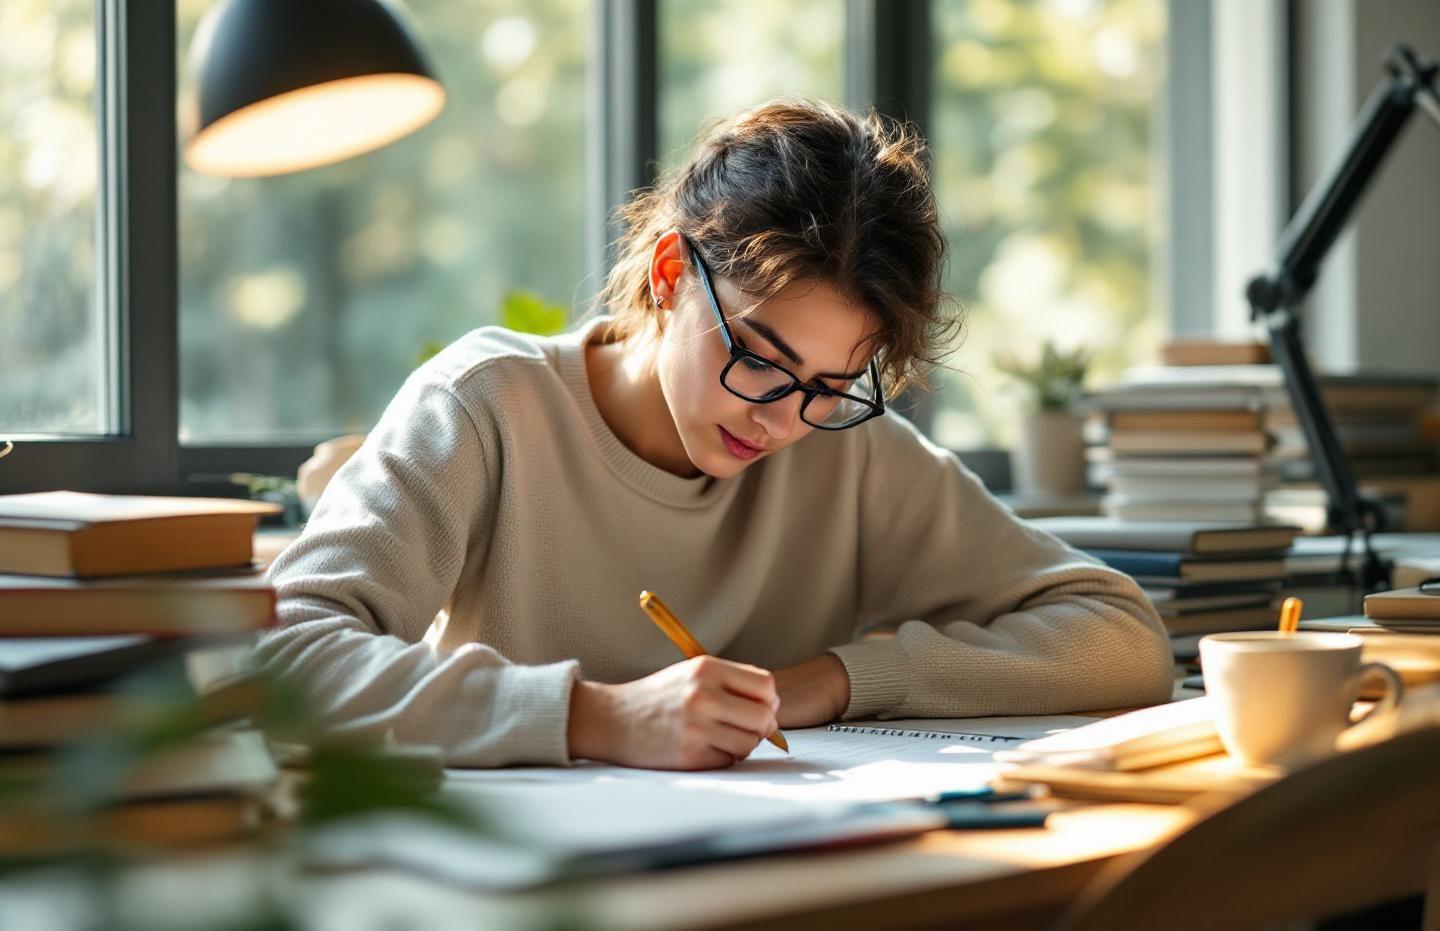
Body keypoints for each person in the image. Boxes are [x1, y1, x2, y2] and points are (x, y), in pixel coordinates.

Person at [259, 99, 1172, 771]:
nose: (781, 419)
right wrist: (597, 717)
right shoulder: (487, 407)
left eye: (829, 384)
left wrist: (833, 680)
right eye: (760, 358)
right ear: (668, 275)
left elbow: (1123, 638)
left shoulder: (840, 446)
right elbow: (284, 659)